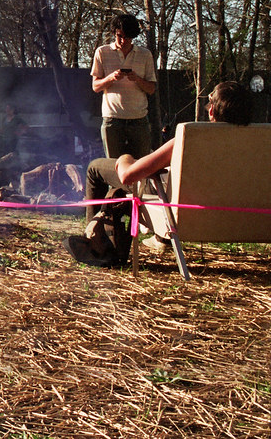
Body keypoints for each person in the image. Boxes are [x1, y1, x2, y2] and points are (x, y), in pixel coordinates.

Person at [63, 80, 252, 267]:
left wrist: (125, 158)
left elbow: (128, 175)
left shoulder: (189, 139)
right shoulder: (261, 143)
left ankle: (94, 245)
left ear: (212, 110)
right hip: (244, 218)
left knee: (95, 168)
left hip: (183, 214)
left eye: (209, 101)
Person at [91, 14, 157, 158]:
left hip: (139, 120)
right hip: (112, 120)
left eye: (127, 37)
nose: (122, 41)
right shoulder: (102, 52)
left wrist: (137, 79)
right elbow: (95, 86)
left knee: (141, 167)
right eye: (119, 36)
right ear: (114, 33)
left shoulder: (145, 55)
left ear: (133, 37)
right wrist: (111, 78)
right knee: (113, 168)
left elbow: (151, 89)